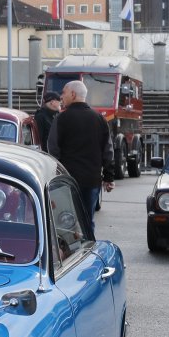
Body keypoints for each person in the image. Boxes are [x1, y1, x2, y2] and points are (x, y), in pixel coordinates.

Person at [48, 79, 113, 230]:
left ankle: (72, 244)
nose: (61, 97)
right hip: (92, 180)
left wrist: (56, 175)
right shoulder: (99, 119)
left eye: (63, 93)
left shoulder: (61, 119)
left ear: (73, 94)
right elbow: (108, 150)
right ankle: (89, 243)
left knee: (66, 221)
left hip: (67, 180)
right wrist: (109, 177)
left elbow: (53, 149)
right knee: (87, 221)